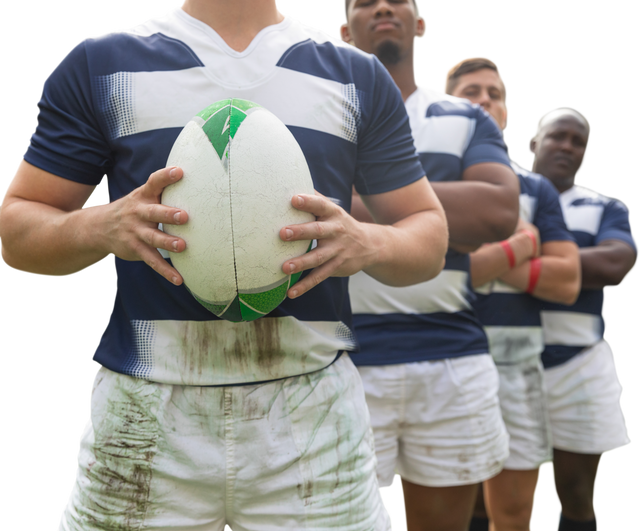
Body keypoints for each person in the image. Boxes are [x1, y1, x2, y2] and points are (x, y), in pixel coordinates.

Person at [0, 1, 450, 530]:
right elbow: (16, 235)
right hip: (146, 417)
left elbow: (428, 235)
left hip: (312, 417)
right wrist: (99, 226)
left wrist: (368, 243)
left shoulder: (352, 73)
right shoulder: (104, 64)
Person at [337, 3, 520, 530]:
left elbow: (498, 212)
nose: (383, 7)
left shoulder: (463, 117)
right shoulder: (318, 115)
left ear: (421, 24)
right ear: (344, 31)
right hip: (340, 359)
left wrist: (355, 202)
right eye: (365, 2)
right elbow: (295, 210)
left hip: (452, 359)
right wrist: (430, 215)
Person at [442, 54, 581, 531]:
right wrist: (522, 242)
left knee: (516, 513)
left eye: (494, 94)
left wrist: (479, 257)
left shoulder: (537, 189)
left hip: (520, 364)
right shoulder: (424, 182)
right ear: (445, 106)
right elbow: (429, 276)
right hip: (444, 364)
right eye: (470, 93)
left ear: (507, 111)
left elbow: (566, 283)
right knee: (445, 512)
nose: (484, 101)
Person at [526, 104, 637, 531]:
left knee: (575, 494)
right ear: (532, 143)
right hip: (502, 362)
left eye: (581, 143)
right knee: (494, 493)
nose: (569, 147)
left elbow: (616, 267)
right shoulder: (501, 195)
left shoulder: (606, 206)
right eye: (558, 137)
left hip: (578, 363)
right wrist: (574, 262)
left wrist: (520, 260)